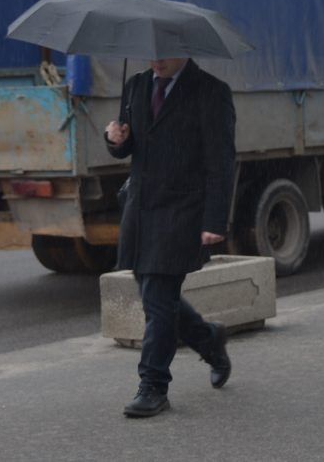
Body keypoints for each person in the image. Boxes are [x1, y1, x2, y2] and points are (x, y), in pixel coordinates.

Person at [104, 57, 236, 418]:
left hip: (182, 211)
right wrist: (115, 138)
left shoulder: (211, 92)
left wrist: (214, 218)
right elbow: (128, 146)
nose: (156, 60)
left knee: (159, 301)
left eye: (164, 52)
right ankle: (209, 339)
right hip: (141, 209)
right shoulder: (137, 85)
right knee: (154, 295)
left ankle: (153, 386)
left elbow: (221, 161)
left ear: (184, 48)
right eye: (151, 52)